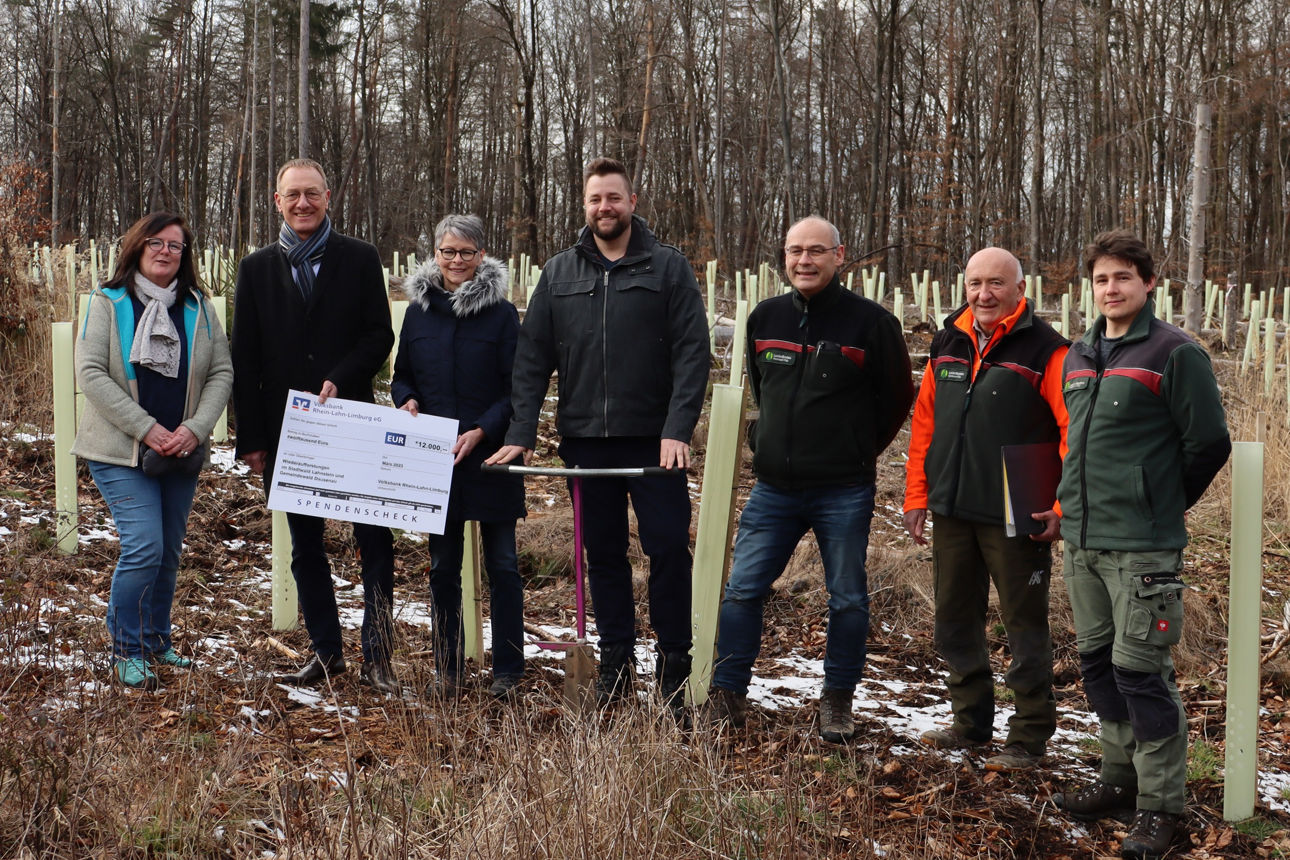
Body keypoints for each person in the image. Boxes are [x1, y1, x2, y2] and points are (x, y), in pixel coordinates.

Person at [486, 156, 710, 712]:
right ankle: (615, 662)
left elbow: (692, 354)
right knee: (603, 554)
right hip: (585, 442)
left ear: (632, 202)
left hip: (655, 444)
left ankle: (674, 666)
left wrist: (677, 429)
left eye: (613, 197)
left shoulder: (668, 267)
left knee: (667, 549)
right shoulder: (560, 272)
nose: (604, 207)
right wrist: (521, 430)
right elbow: (532, 358)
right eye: (595, 199)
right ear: (584, 206)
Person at [1051, 230, 1230, 860]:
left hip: (1142, 548)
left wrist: (1162, 502)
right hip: (1082, 542)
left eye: (1123, 276)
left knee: (1142, 672)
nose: (1111, 288)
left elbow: (1209, 443)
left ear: (1148, 283)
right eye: (1101, 279)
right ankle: (1118, 780)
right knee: (1100, 667)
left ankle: (1160, 806)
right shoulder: (1078, 355)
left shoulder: (1175, 353)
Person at [709, 216, 914, 742]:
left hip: (843, 489)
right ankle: (728, 691)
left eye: (816, 250)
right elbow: (763, 389)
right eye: (795, 250)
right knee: (742, 590)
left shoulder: (872, 324)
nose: (804, 260)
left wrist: (855, 450)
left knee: (847, 597)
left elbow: (896, 401)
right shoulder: (765, 318)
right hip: (773, 489)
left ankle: (837, 699)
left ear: (838, 256)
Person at [231, 158, 398, 694]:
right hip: (288, 431)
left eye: (312, 194)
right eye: (292, 195)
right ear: (277, 201)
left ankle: (378, 656)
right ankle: (327, 652)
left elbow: (379, 335)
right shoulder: (256, 268)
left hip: (352, 421)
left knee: (375, 541)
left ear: (328, 197)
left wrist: (339, 377)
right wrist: (251, 437)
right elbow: (245, 357)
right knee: (305, 546)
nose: (302, 203)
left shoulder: (360, 258)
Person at [902, 247, 1068, 771]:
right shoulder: (948, 341)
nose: (984, 294)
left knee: (1024, 624)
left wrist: (1061, 505)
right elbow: (925, 421)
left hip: (1019, 507)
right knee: (954, 618)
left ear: (1021, 289)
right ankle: (970, 722)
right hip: (952, 504)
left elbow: (1073, 432)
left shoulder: (1048, 350)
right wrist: (917, 494)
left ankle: (1029, 735)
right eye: (975, 283)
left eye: (996, 283)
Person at [72, 211, 233, 689]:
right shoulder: (108, 301)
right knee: (145, 546)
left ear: (185, 255)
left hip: (180, 450)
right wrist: (147, 429)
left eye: (175, 245)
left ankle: (156, 641)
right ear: (138, 246)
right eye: (156, 242)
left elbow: (221, 371)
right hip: (121, 449)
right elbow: (91, 373)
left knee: (167, 551)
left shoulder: (198, 307)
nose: (165, 251)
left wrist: (195, 429)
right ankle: (126, 649)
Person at [391, 214, 526, 699]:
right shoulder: (419, 312)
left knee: (503, 566)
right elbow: (402, 376)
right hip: (436, 461)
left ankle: (508, 671)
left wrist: (481, 430)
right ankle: (447, 669)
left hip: (492, 456)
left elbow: (516, 388)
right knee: (443, 567)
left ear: (481, 256)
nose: (456, 261)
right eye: (448, 251)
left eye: (466, 252)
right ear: (435, 254)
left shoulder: (502, 314)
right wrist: (406, 401)